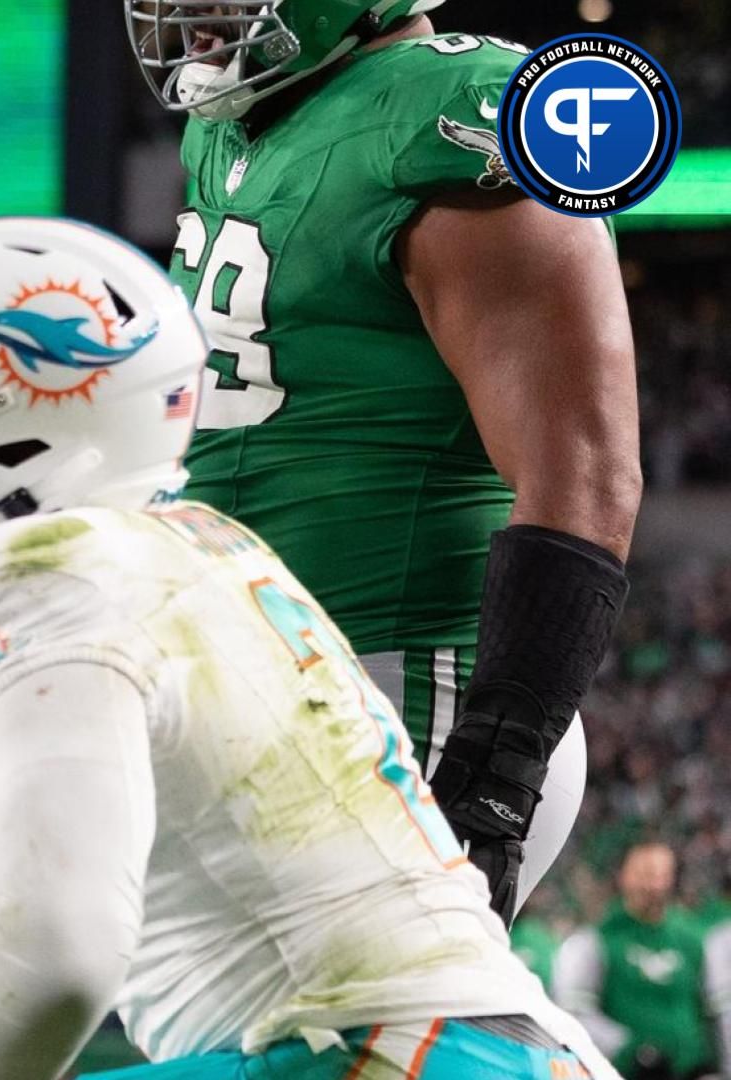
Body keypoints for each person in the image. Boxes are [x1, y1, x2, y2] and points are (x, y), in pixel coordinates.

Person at [0, 216, 618, 1079]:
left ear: (16, 418)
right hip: (486, 1047)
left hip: (372, 1051)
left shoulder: (34, 570)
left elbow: (61, 948)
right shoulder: (210, 545)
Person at [126, 0, 640, 922]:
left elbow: (586, 478)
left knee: (371, 1058)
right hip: (262, 672)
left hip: (403, 690)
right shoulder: (241, 120)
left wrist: (496, 770)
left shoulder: (459, 114)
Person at [555, 842, 722, 1078]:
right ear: (623, 876)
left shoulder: (693, 939)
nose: (654, 885)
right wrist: (629, 1050)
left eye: (662, 875)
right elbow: (575, 1012)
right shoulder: (595, 940)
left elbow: (715, 1011)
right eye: (644, 874)